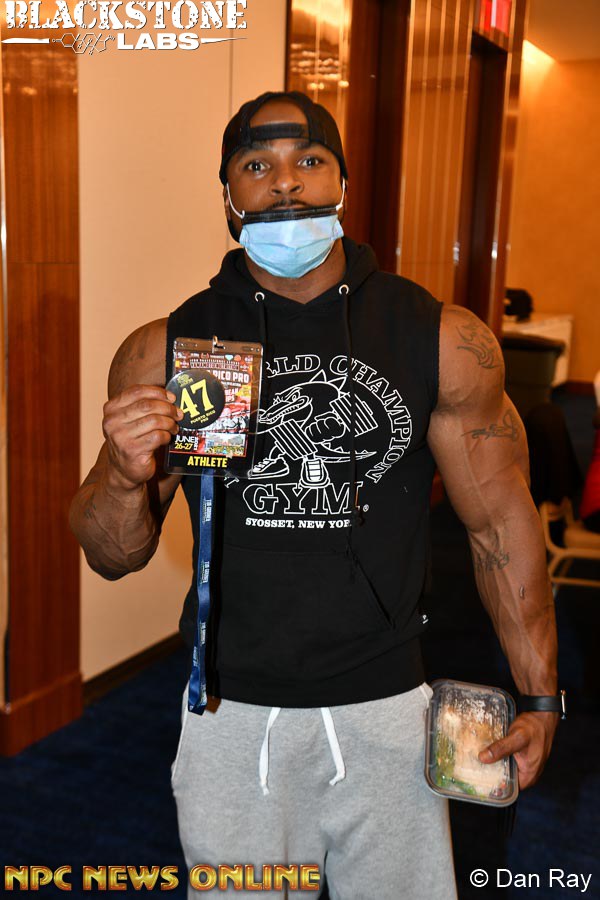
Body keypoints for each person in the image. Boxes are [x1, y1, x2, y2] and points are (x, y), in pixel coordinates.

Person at [70, 91, 562, 900]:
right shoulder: (173, 347)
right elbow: (112, 555)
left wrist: (541, 695)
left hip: (389, 705)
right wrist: (123, 474)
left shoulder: (438, 337)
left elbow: (499, 530)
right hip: (232, 713)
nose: (286, 182)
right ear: (227, 195)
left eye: (309, 160)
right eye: (256, 165)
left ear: (342, 180)